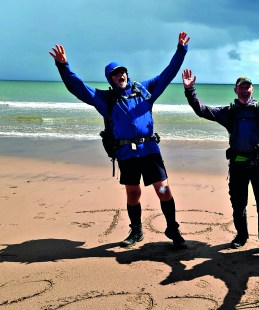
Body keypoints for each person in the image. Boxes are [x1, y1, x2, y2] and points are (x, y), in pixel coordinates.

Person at [49, 32, 190, 249]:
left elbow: (168, 74)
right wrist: (63, 66)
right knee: (133, 193)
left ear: (127, 74)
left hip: (150, 151)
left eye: (122, 71)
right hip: (126, 154)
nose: (120, 75)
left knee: (163, 190)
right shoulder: (106, 100)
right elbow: (78, 88)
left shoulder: (145, 90)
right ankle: (136, 230)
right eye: (115, 74)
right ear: (110, 79)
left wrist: (181, 50)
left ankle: (173, 228)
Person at [182, 69, 259, 258]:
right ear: (235, 91)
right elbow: (202, 110)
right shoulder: (229, 113)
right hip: (237, 166)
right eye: (241, 88)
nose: (245, 91)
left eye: (248, 87)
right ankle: (241, 236)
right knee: (238, 204)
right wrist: (190, 90)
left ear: (252, 90)